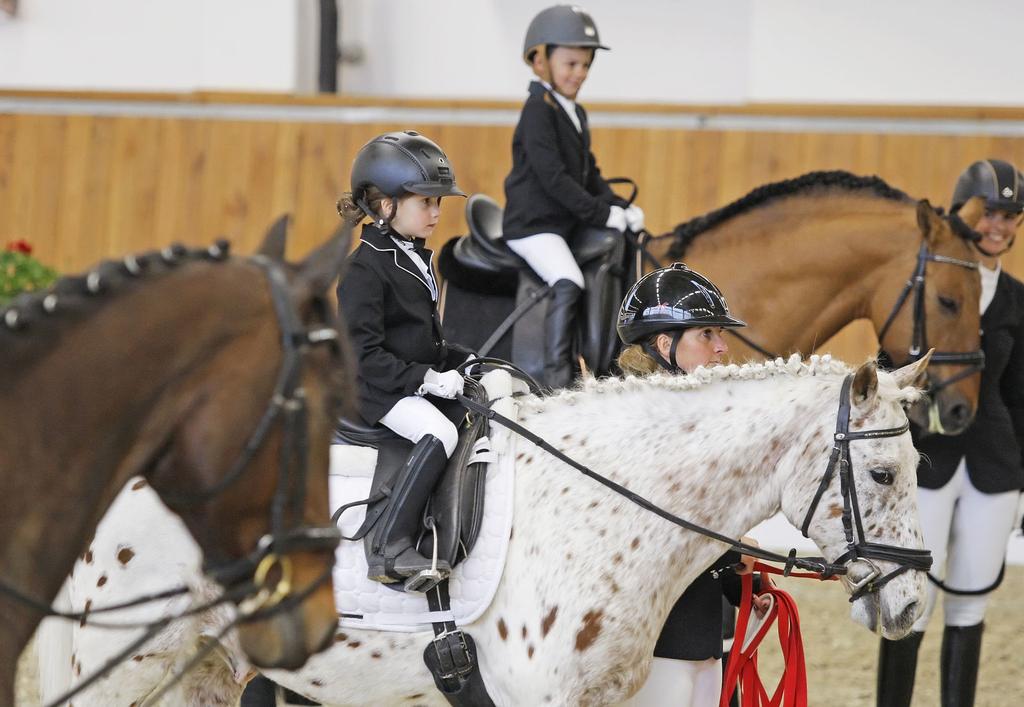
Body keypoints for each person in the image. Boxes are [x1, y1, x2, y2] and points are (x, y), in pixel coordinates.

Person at [876, 159, 1024, 707]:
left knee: (969, 604)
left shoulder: (1017, 298)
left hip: (994, 467)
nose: (999, 226)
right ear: (966, 214)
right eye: (990, 213)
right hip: (927, 461)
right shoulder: (923, 281)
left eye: (1011, 217)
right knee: (911, 603)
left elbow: (1020, 396)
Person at [617, 263, 769, 707]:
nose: (723, 347)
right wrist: (735, 549)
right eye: (706, 335)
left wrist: (743, 587)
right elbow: (664, 533)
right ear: (665, 345)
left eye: (719, 334)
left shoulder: (700, 425)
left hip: (702, 635)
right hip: (656, 643)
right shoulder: (633, 427)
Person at [336, 130, 467, 591]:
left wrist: (465, 361)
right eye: (425, 202)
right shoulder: (364, 269)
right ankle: (389, 545)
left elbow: (421, 339)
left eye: (439, 204)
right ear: (385, 204)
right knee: (440, 431)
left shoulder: (411, 257)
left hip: (407, 379)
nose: (435, 213)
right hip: (376, 391)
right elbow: (365, 357)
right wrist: (427, 380)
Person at [501, 4, 644, 388]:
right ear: (539, 60)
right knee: (568, 280)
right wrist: (601, 215)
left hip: (562, 223)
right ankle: (557, 379)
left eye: (585, 65)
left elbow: (589, 172)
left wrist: (619, 205)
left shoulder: (574, 112)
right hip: (534, 227)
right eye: (570, 64)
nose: (579, 74)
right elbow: (555, 180)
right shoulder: (537, 112)